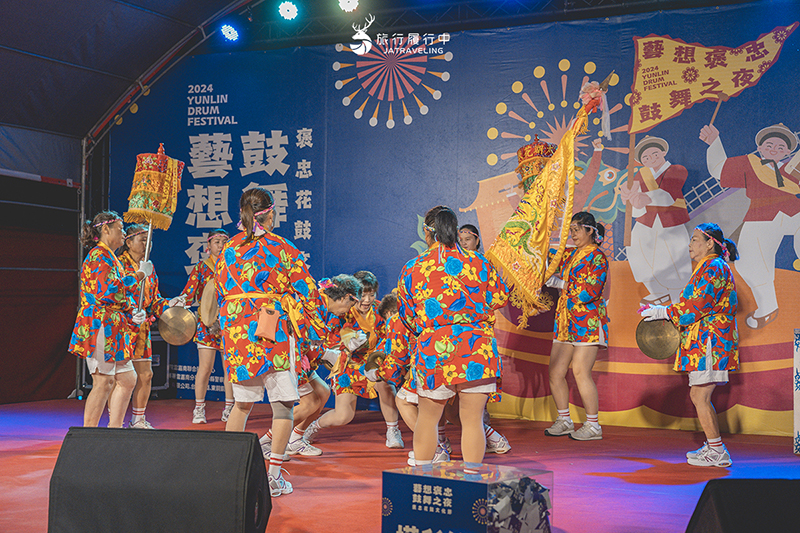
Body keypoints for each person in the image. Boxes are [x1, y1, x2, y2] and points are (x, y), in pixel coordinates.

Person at [215, 188, 327, 497]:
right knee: (283, 407)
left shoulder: (228, 248)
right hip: (272, 331)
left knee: (241, 404)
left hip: (238, 333)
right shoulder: (282, 247)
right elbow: (308, 292)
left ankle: (228, 472)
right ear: (270, 213)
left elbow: (220, 287)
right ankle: (274, 476)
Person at [398, 205, 509, 473]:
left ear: (428, 232)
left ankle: (421, 478)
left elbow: (407, 316)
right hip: (477, 348)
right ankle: (472, 482)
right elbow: (500, 298)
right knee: (472, 422)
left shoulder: (414, 267)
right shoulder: (480, 263)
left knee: (427, 419)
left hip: (435, 348)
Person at [639, 222, 739, 467]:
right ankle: (714, 447)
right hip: (706, 338)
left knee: (699, 394)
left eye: (695, 239)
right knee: (699, 394)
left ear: (709, 244)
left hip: (710, 340)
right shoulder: (707, 266)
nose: (690, 244)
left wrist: (662, 311)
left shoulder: (713, 266)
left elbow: (697, 305)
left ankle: (717, 451)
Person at [699, 122, 799, 329]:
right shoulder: (750, 163)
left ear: (789, 151)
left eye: (781, 147)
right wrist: (714, 142)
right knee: (749, 264)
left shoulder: (795, 167)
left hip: (793, 211)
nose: (774, 149)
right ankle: (767, 308)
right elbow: (720, 170)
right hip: (760, 215)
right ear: (760, 148)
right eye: (769, 144)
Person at [259, 274, 362, 459]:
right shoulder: (313, 304)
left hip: (301, 355)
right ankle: (266, 443)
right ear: (346, 297)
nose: (348, 310)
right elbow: (300, 337)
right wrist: (332, 356)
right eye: (350, 305)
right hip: (287, 353)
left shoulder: (323, 306)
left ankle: (295, 439)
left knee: (323, 392)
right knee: (310, 403)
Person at [68, 211, 151, 428]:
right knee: (102, 382)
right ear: (106, 230)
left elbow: (120, 295)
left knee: (127, 378)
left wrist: (133, 310)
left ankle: (114, 430)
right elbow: (107, 291)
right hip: (99, 324)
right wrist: (139, 276)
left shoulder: (111, 257)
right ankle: (88, 435)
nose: (124, 233)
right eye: (120, 228)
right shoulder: (98, 255)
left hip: (115, 325)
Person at [303, 271, 404, 449]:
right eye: (362, 295)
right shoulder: (341, 311)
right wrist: (348, 346)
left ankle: (393, 430)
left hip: (373, 361)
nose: (366, 300)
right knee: (343, 416)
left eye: (371, 295)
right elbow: (330, 347)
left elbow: (388, 339)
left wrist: (375, 360)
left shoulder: (382, 310)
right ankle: (312, 427)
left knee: (385, 381)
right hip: (347, 364)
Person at [544, 211, 609, 441]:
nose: (573, 234)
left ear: (591, 231)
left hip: (587, 321)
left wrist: (562, 284)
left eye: (577, 230)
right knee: (555, 372)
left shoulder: (597, 257)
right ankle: (564, 419)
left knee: (581, 371)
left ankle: (593, 425)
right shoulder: (570, 254)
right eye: (571, 230)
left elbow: (590, 292)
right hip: (565, 322)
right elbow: (548, 257)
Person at [117, 223, 184, 429]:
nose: (147, 244)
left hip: (142, 330)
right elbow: (113, 295)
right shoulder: (119, 264)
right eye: (142, 239)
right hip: (121, 328)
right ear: (128, 242)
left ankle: (138, 419)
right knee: (120, 379)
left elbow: (154, 301)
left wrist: (169, 303)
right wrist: (129, 311)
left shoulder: (149, 266)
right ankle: (115, 421)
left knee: (146, 375)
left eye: (149, 239)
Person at [452, 224, 512, 454]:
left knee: (472, 405)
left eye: (468, 238)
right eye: (461, 238)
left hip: (465, 340)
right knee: (459, 404)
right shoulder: (469, 264)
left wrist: (475, 309)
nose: (464, 242)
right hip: (470, 339)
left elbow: (499, 297)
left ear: (477, 240)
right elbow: (499, 296)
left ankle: (487, 440)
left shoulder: (480, 263)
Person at [620, 135, 692, 306]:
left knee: (673, 259)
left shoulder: (677, 170)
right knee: (637, 251)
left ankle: (677, 296)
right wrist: (630, 198)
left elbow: (668, 195)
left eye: (654, 154)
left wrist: (643, 197)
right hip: (647, 222)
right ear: (641, 161)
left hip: (671, 223)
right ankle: (658, 292)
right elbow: (634, 202)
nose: (651, 158)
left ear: (663, 152)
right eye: (645, 157)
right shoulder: (640, 175)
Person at [177, 228, 235, 424]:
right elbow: (189, 293)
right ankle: (199, 408)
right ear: (208, 246)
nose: (220, 245)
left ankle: (229, 408)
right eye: (216, 241)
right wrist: (178, 304)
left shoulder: (233, 268)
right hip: (206, 324)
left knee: (229, 369)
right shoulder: (201, 268)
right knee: (205, 368)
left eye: (224, 241)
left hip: (228, 325)